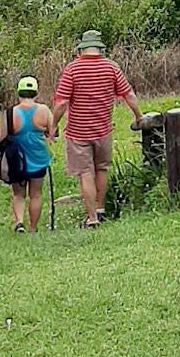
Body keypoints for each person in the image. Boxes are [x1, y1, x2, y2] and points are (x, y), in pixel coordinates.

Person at [51, 30, 142, 227]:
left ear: (81, 49)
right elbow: (129, 95)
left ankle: (92, 219)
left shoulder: (72, 70)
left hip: (78, 132)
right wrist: (138, 116)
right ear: (100, 48)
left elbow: (60, 104)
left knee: (85, 173)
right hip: (103, 130)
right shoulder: (112, 68)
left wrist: (53, 126)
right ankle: (100, 209)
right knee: (101, 169)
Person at [7, 75, 55, 234]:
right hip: (38, 158)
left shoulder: (10, 113)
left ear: (19, 93)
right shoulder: (44, 110)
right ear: (36, 92)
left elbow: (2, 138)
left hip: (16, 159)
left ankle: (20, 222)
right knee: (36, 194)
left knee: (18, 193)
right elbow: (53, 132)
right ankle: (33, 228)